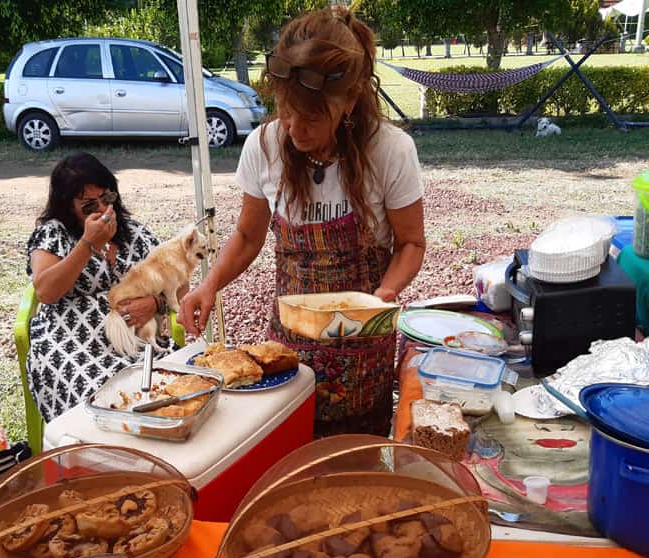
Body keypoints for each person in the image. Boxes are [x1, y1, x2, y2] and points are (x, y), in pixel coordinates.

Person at [180, 6, 426, 436]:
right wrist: (208, 285)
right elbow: (246, 235)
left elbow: (411, 244)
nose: (294, 129)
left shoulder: (390, 150)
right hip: (290, 341)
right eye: (286, 111)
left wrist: (384, 294)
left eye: (312, 118)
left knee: (353, 460)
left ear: (348, 103)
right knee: (290, 450)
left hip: (361, 343)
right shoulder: (264, 145)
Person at [25, 152, 176, 422]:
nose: (103, 210)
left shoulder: (135, 233)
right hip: (70, 343)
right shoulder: (54, 233)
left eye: (107, 198)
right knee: (101, 401)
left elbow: (178, 282)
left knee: (169, 388)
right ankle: (98, 458)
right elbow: (45, 291)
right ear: (67, 207)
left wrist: (156, 304)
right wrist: (87, 245)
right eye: (88, 206)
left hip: (137, 340)